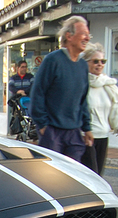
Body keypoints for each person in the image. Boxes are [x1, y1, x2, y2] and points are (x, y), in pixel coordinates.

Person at [30, 16, 94, 162]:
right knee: (51, 177)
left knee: (72, 176)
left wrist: (87, 128)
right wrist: (43, 126)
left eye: (88, 35)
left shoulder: (83, 65)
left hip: (74, 134)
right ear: (69, 36)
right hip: (52, 132)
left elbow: (83, 100)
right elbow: (37, 94)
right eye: (84, 33)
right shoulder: (53, 60)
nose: (87, 38)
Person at [81, 42, 118, 175]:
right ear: (86, 62)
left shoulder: (109, 85)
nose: (100, 64)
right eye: (96, 61)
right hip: (85, 137)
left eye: (103, 61)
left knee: (98, 176)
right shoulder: (81, 84)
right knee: (90, 176)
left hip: (103, 136)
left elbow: (117, 112)